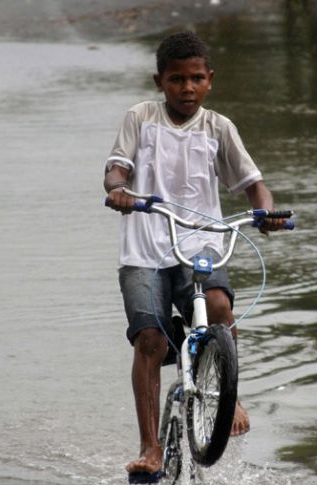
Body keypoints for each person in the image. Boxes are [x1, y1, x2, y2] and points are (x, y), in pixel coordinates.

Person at [103, 31, 287, 480]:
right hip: (144, 250)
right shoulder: (140, 118)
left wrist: (264, 209)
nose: (187, 88)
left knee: (221, 306)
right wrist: (118, 190)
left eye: (197, 79)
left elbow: (251, 182)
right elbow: (117, 168)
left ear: (210, 80)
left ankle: (230, 398)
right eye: (177, 80)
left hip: (201, 244)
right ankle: (150, 447)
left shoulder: (218, 127)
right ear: (159, 81)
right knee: (149, 339)